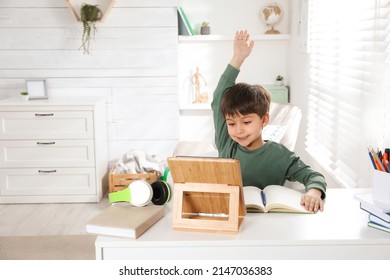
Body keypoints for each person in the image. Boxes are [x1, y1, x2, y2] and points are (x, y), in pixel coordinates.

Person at [211, 30, 326, 212]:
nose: (238, 130)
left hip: (269, 223)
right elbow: (219, 98)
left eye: (247, 122)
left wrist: (314, 192)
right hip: (229, 217)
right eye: (232, 124)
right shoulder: (226, 144)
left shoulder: (280, 155)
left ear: (264, 120)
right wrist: (238, 58)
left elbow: (313, 176)